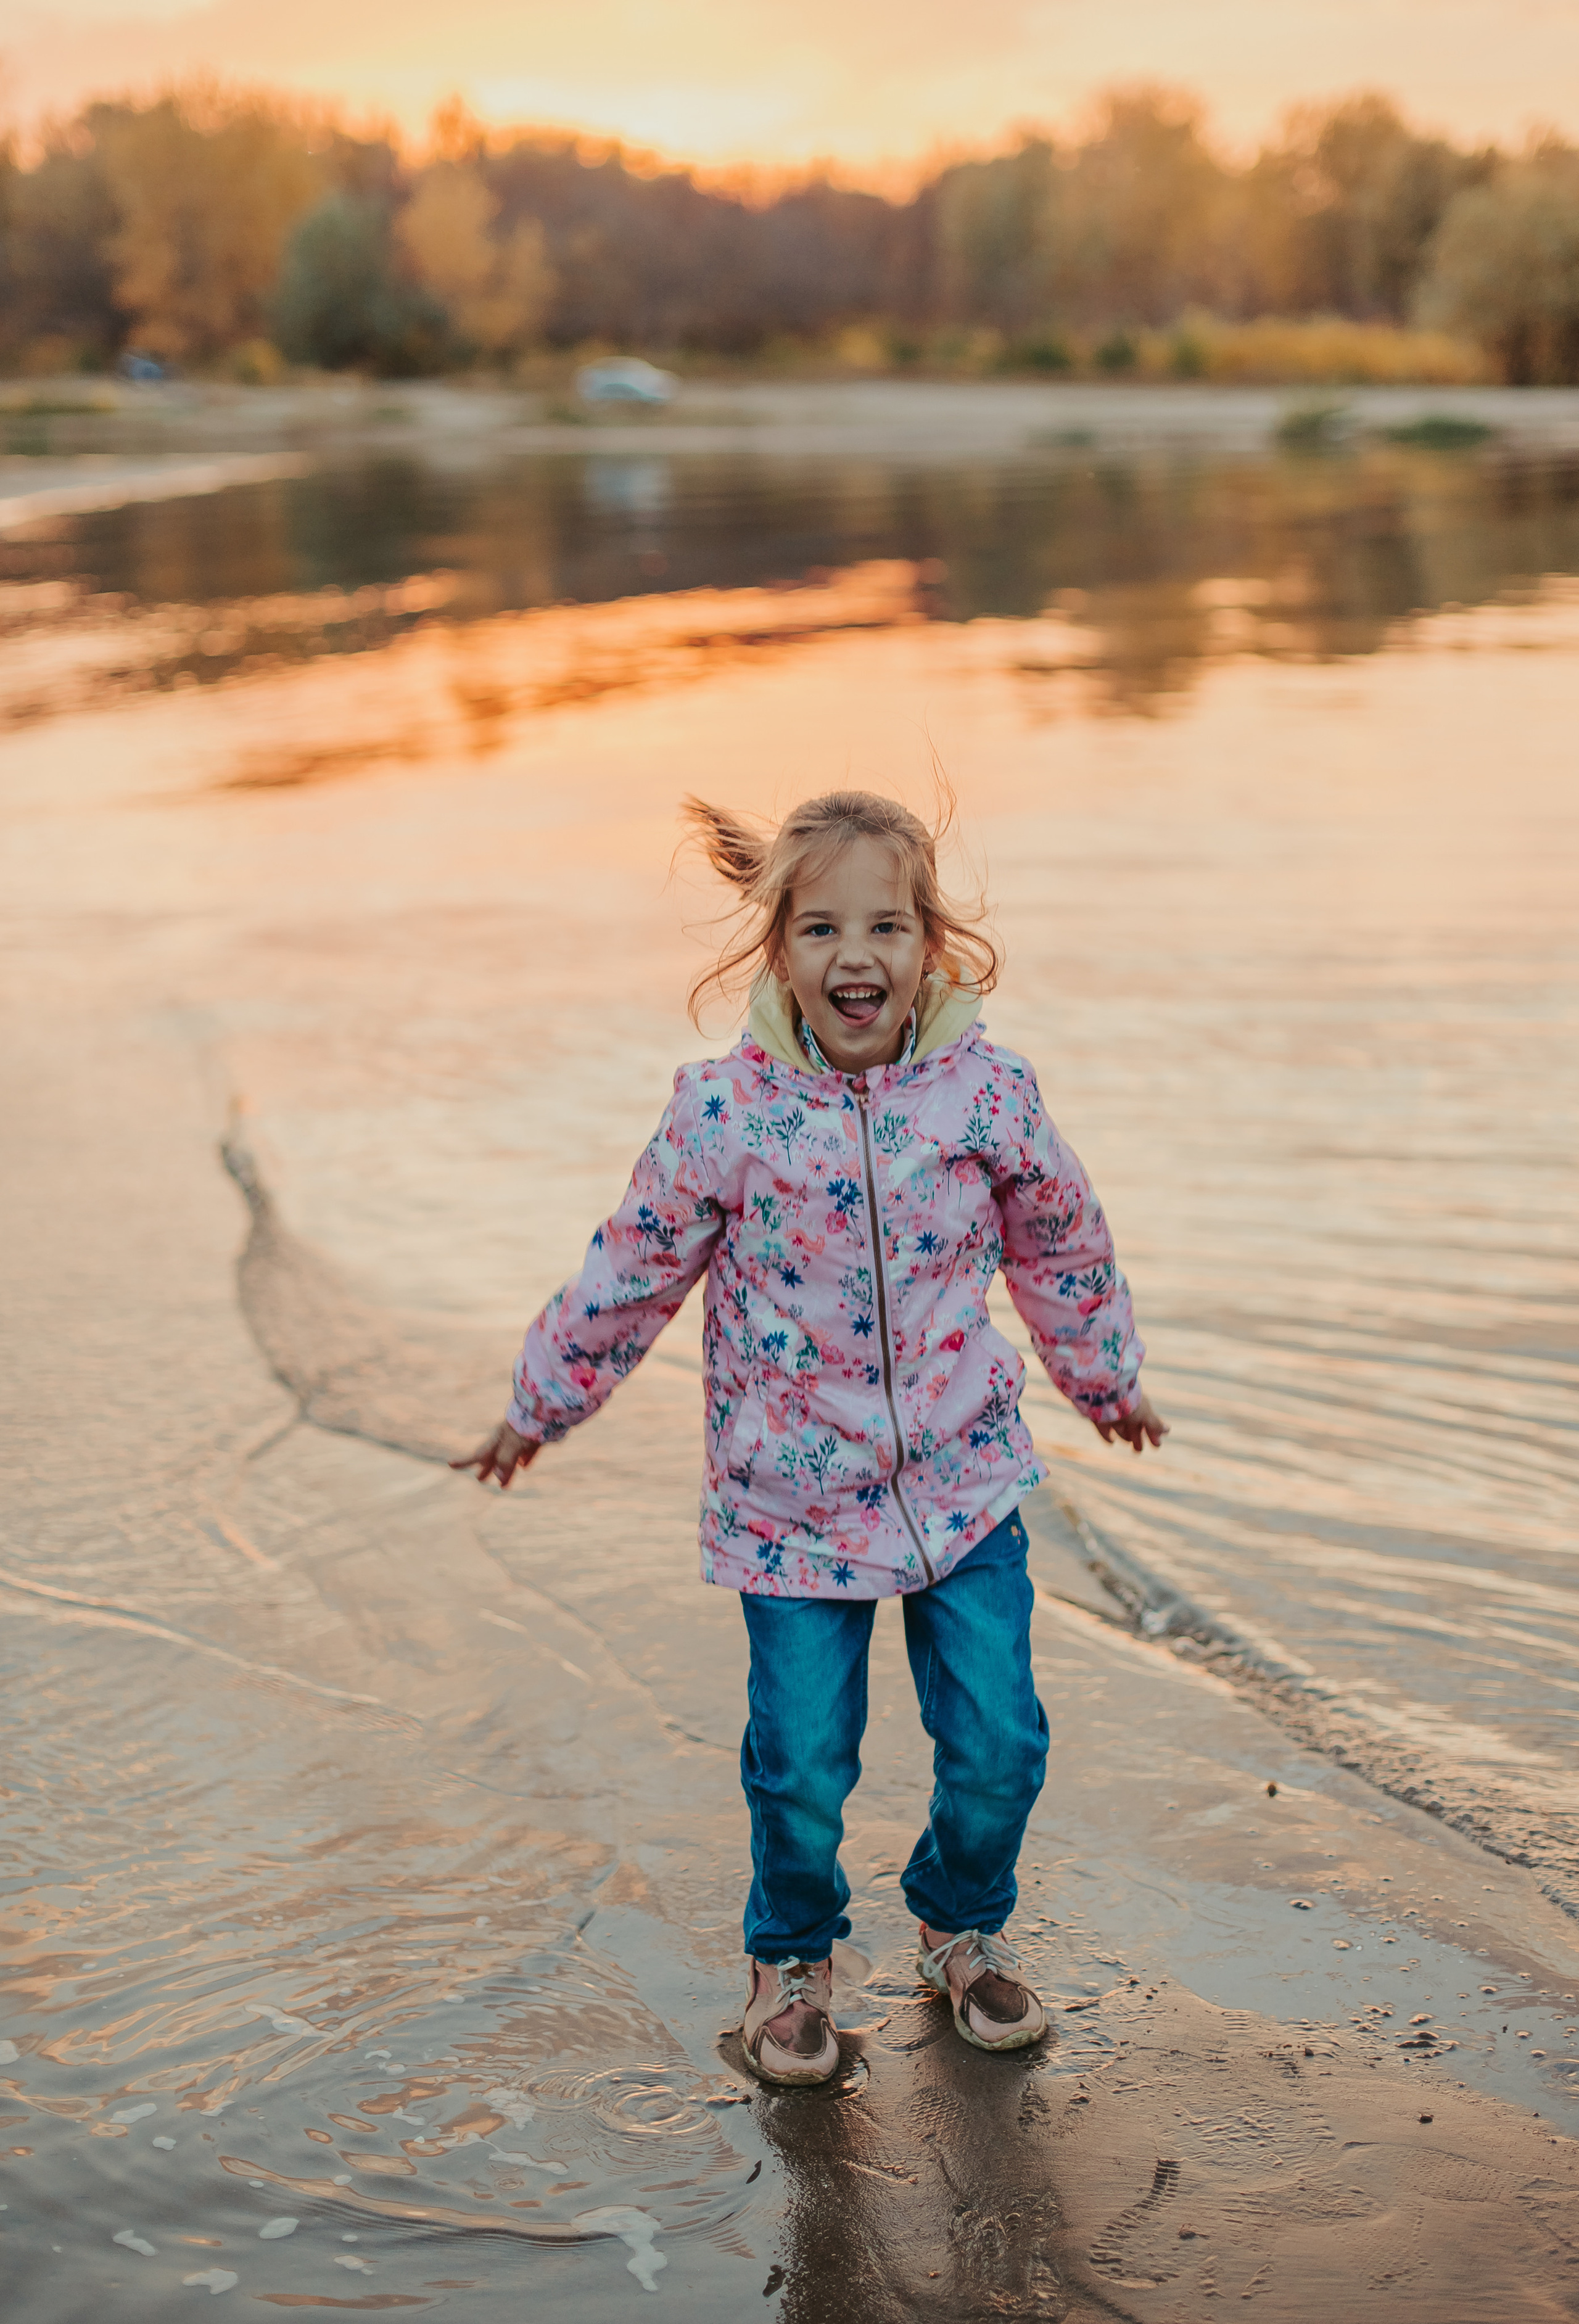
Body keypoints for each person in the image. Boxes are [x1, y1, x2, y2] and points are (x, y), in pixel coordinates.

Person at [454, 789, 1166, 2087]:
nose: (857, 955)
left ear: (930, 945)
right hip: (789, 1504)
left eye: (886, 925)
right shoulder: (724, 1118)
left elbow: (1060, 1241)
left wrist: (1103, 1376)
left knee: (1001, 1745)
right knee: (797, 1766)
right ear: (776, 950)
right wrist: (537, 1405)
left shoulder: (984, 1097)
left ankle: (956, 1923)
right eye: (822, 927)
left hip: (961, 1488)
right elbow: (632, 1270)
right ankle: (788, 1960)